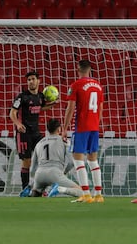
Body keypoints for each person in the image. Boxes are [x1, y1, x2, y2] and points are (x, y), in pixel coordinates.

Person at [62, 60, 104, 203]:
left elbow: (70, 108)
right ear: (90, 70)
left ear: (78, 69)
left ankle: (86, 194)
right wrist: (96, 125)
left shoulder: (76, 85)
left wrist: (64, 128)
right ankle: (98, 195)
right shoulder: (98, 86)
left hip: (81, 127)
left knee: (78, 159)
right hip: (94, 127)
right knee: (93, 160)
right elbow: (100, 108)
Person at [9, 71, 57, 194]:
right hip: (23, 133)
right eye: (29, 80)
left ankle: (40, 189)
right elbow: (12, 112)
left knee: (44, 160)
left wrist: (52, 105)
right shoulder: (22, 97)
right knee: (27, 162)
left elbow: (40, 108)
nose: (30, 81)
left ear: (38, 81)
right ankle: (25, 189)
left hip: (36, 133)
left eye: (33, 79)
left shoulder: (41, 96)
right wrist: (18, 124)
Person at [27, 118, 82, 198]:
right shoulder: (64, 141)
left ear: (48, 129)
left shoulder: (39, 142)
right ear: (59, 129)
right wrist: (64, 172)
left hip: (39, 174)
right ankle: (59, 189)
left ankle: (33, 192)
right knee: (81, 192)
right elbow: (72, 162)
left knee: (36, 194)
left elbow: (33, 166)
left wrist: (32, 181)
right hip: (55, 173)